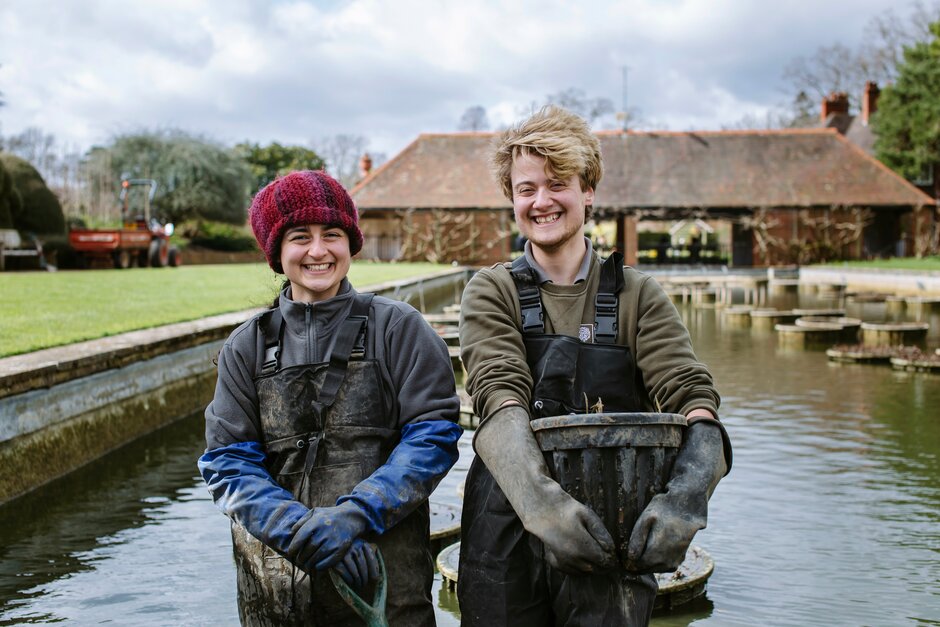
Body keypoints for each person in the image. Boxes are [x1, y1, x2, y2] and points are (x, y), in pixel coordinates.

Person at [457, 106, 732, 626]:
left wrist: (687, 495)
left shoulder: (638, 295)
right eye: (525, 188)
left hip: (614, 528)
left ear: (588, 190)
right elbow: (499, 394)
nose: (541, 201)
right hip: (506, 523)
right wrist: (543, 510)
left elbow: (689, 393)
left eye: (557, 183)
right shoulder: (491, 291)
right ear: (511, 199)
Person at [198, 170, 463, 626]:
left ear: (350, 243)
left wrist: (357, 515)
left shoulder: (399, 329)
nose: (318, 251)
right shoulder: (246, 348)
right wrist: (299, 530)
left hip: (385, 585)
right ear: (277, 253)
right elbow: (228, 462)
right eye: (300, 237)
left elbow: (433, 437)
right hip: (274, 593)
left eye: (332, 235)